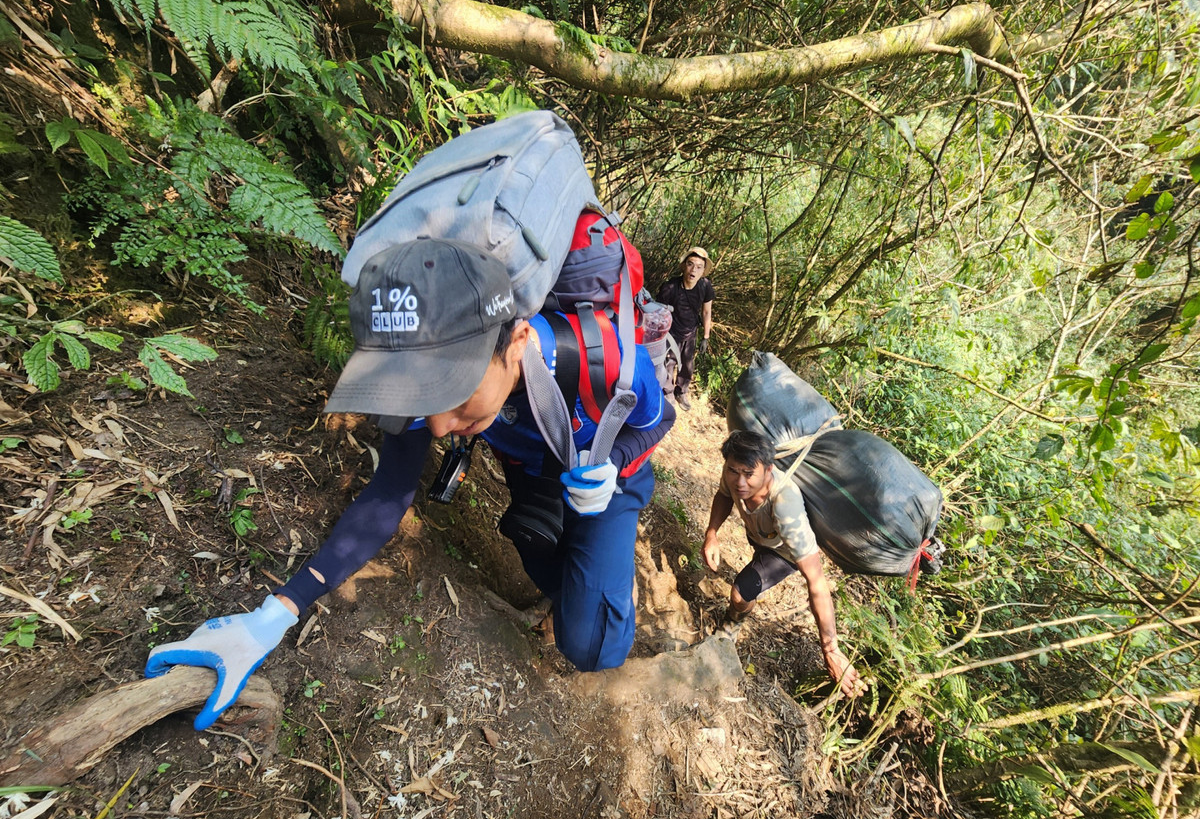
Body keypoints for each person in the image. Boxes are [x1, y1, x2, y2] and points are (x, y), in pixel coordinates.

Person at [145, 238, 675, 730]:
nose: (440, 426)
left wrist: (614, 464)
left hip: (606, 468)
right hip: (535, 476)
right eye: (427, 402)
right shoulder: (424, 368)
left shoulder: (600, 357)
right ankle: (574, 589)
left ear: (516, 344)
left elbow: (659, 418)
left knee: (593, 647)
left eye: (455, 394)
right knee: (536, 544)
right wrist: (271, 618)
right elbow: (386, 496)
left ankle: (603, 593)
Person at [703, 430, 866, 699]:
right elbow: (723, 495)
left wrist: (830, 649)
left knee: (740, 593)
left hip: (783, 553)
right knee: (751, 571)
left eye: (748, 473)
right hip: (760, 535)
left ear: (768, 469)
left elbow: (816, 581)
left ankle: (733, 623)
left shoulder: (785, 505)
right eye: (733, 471)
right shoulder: (733, 473)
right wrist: (712, 534)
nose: (739, 482)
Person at [656, 247, 714, 411]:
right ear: (683, 266)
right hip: (671, 332)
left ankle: (681, 392)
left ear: (703, 271)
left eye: (699, 266)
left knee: (688, 365)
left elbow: (707, 311)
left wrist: (706, 337)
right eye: (690, 264)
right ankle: (667, 392)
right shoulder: (670, 287)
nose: (693, 270)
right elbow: (659, 311)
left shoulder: (705, 286)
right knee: (669, 363)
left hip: (691, 331)